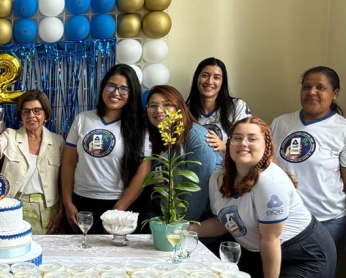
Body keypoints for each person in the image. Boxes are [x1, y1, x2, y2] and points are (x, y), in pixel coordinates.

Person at [193, 117, 336, 278]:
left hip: (302, 255)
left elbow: (271, 239)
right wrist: (184, 229)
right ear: (228, 144)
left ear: (266, 144)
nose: (243, 144)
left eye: (252, 138)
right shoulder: (218, 178)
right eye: (237, 138)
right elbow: (224, 223)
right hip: (261, 253)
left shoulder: (269, 181)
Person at [61, 64, 151, 234]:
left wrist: (118, 210)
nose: (116, 93)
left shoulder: (140, 128)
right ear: (103, 87)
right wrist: (68, 203)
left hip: (120, 205)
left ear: (132, 94)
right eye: (111, 86)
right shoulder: (82, 119)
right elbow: (68, 163)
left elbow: (143, 174)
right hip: (81, 203)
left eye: (124, 88)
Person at [270, 66, 346, 264]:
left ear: (334, 93)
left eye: (320, 87)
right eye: (307, 87)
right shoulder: (280, 123)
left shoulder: (342, 129)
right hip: (285, 217)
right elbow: (266, 164)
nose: (312, 92)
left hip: (327, 220)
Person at [0, 90, 65, 234]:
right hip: (13, 205)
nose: (31, 116)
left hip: (47, 209)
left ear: (45, 114)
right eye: (26, 111)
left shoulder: (57, 141)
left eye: (37, 111)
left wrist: (60, 211)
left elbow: (62, 181)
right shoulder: (10, 135)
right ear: (21, 116)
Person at [145, 85, 219, 222]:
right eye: (152, 105)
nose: (159, 110)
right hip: (166, 223)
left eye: (167, 104)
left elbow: (198, 193)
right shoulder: (157, 137)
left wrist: (182, 230)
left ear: (179, 108)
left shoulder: (196, 137)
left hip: (193, 229)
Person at [186, 57, 251, 152]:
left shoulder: (237, 106)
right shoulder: (185, 110)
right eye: (204, 75)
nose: (209, 81)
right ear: (197, 78)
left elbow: (248, 142)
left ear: (222, 82)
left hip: (229, 166)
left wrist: (223, 145)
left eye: (216, 77)